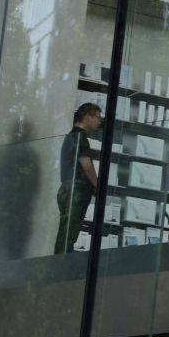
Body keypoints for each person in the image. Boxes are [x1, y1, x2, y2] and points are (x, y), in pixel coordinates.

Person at [55, 100, 105, 254]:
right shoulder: (79, 136)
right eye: (97, 116)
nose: (99, 121)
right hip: (75, 190)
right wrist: (97, 184)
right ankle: (60, 268)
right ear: (87, 117)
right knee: (68, 233)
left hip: (69, 189)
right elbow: (86, 164)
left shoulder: (72, 136)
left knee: (67, 231)